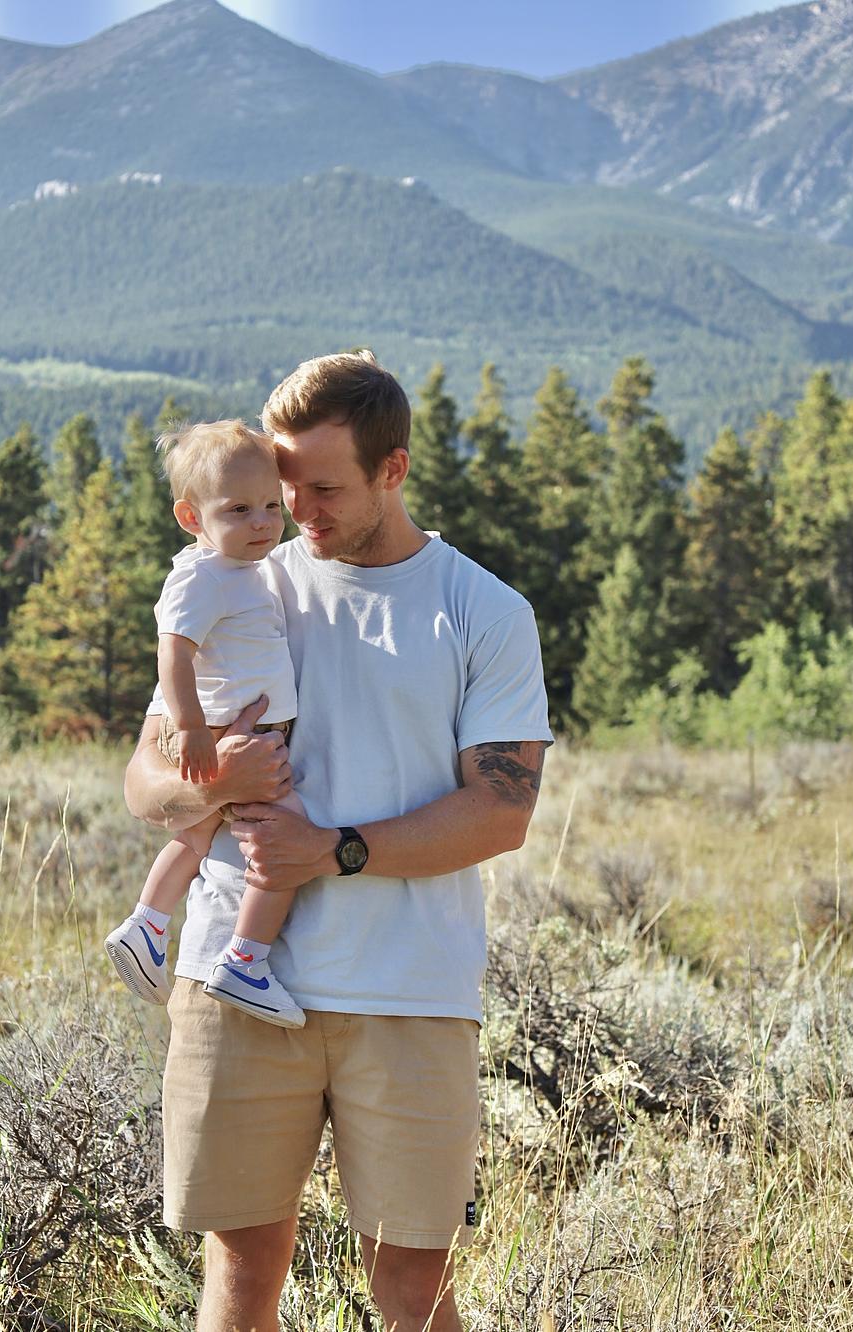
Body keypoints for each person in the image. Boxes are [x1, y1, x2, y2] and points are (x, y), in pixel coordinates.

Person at [124, 350, 553, 1332]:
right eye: (284, 485)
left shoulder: (482, 610)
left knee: (413, 1289)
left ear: (393, 469)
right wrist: (214, 785)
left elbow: (502, 809)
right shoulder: (238, 583)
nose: (293, 510)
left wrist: (332, 850)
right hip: (231, 982)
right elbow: (144, 782)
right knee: (240, 1281)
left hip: (409, 992)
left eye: (324, 488)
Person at [105, 420, 308, 1026]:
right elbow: (173, 650)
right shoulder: (202, 576)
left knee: (197, 836)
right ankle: (245, 961)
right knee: (285, 843)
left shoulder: (241, 570)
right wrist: (191, 728)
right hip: (227, 735)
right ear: (191, 517)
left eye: (271, 506)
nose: (262, 522)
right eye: (239, 509)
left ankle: (147, 924)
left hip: (230, 730)